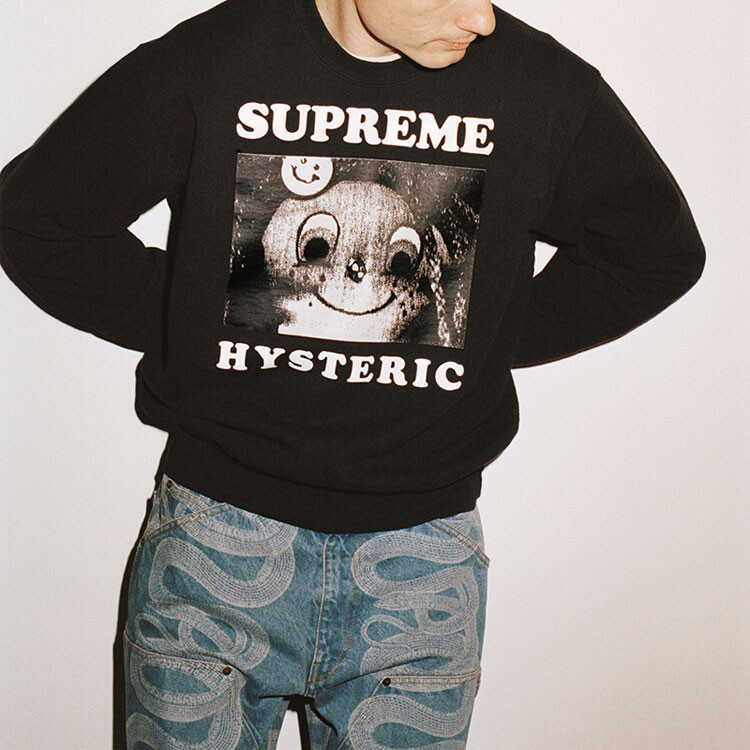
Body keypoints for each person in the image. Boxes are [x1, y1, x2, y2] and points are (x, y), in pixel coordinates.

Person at [0, 0, 706, 747]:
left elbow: (653, 253)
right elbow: (39, 220)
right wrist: (190, 316)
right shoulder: (213, 62)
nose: (480, 15)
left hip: (421, 563)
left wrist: (486, 335)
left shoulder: (541, 89)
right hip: (216, 541)